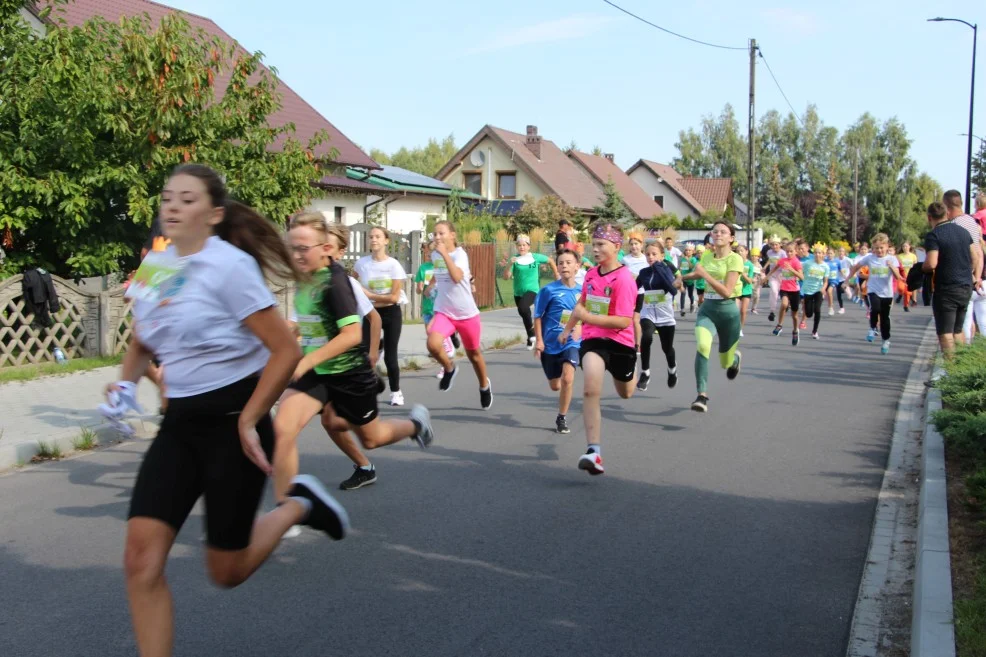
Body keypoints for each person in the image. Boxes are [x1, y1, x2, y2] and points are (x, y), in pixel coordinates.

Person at [118, 164, 350, 657]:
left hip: (232, 429)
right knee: (140, 560)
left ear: (214, 213)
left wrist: (249, 418)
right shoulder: (155, 267)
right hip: (179, 428)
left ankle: (297, 505)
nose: (173, 207)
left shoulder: (229, 267)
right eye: (168, 198)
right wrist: (122, 387)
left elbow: (284, 350)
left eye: (187, 199)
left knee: (226, 572)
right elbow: (142, 340)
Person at [277, 215, 433, 499]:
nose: (295, 255)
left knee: (371, 438)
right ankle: (286, 508)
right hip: (317, 372)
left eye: (302, 248)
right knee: (284, 428)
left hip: (349, 373)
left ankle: (416, 425)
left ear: (325, 248)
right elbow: (300, 322)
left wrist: (308, 361)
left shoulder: (338, 283)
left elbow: (353, 334)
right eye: (292, 247)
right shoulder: (305, 277)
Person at [559, 223, 637, 475]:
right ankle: (594, 451)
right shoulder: (591, 274)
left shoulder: (625, 279)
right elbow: (582, 304)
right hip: (594, 340)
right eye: (594, 244)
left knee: (625, 392)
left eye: (601, 244)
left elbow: (624, 321)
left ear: (616, 247)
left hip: (621, 343)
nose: (596, 249)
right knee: (591, 388)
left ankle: (638, 369)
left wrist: (587, 318)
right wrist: (568, 328)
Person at [427, 220, 493, 409]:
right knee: (432, 344)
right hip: (445, 312)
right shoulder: (435, 255)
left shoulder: (460, 255)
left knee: (474, 355)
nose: (437, 237)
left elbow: (456, 277)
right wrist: (431, 284)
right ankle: (449, 368)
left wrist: (444, 254)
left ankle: (484, 385)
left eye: (441, 233)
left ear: (452, 235)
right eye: (435, 234)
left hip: (466, 314)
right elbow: (439, 274)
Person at [680, 221, 743, 412]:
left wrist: (704, 275)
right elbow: (697, 274)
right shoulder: (707, 256)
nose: (718, 234)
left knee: (725, 362)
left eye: (723, 232)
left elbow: (727, 291)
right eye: (715, 231)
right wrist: (681, 277)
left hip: (728, 312)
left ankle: (734, 361)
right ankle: (702, 395)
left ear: (731, 238)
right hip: (707, 309)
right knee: (703, 346)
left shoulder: (735, 259)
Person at [354, 226, 407, 406]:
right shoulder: (361, 264)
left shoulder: (393, 266)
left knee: (390, 356)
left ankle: (396, 392)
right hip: (370, 313)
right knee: (366, 354)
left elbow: (393, 298)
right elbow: (354, 286)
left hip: (391, 313)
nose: (373, 240)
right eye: (371, 237)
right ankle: (366, 390)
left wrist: (369, 296)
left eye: (377, 237)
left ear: (386, 241)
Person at [533, 249, 582, 434]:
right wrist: (539, 340)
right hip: (550, 343)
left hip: (572, 342)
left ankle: (562, 417)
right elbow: (537, 316)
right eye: (561, 263)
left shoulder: (583, 292)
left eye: (569, 262)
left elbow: (587, 316)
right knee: (555, 385)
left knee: (568, 378)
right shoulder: (548, 290)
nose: (564, 266)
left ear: (577, 266)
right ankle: (562, 390)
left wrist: (581, 327)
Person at [923, 201, 977, 356]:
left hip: (946, 288)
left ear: (929, 218)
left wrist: (922, 267)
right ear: (947, 214)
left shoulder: (934, 235)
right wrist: (967, 271)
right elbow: (976, 256)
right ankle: (962, 367)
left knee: (945, 332)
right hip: (965, 286)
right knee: (958, 329)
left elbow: (932, 263)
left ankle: (951, 373)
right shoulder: (963, 232)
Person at [634, 241, 679, 392]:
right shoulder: (644, 273)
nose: (650, 257)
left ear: (662, 255)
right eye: (647, 254)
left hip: (665, 315)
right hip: (648, 313)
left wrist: (660, 267)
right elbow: (634, 287)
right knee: (646, 337)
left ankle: (672, 370)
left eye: (654, 254)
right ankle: (645, 373)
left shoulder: (666, 270)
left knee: (667, 348)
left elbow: (673, 290)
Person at [849, 233, 903, 354]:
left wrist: (891, 266)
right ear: (872, 248)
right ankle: (872, 328)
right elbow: (856, 267)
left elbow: (898, 276)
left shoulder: (892, 259)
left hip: (887, 293)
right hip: (873, 289)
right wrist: (847, 279)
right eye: (876, 248)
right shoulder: (869, 258)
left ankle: (885, 340)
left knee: (885, 318)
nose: (879, 250)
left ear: (886, 247)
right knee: (875, 308)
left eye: (881, 247)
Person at [504, 234, 557, 350]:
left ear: (529, 246)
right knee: (524, 314)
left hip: (533, 290)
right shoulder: (514, 259)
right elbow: (506, 277)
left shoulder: (535, 257)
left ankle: (532, 334)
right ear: (517, 247)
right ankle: (530, 335)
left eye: (524, 245)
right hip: (518, 292)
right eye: (519, 245)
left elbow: (551, 261)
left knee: (523, 308)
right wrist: (509, 264)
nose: (522, 247)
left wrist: (556, 274)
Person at [415, 240, 456, 379]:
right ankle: (446, 362)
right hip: (428, 307)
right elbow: (419, 289)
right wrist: (421, 289)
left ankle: (446, 361)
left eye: (435, 252)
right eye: (430, 252)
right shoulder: (423, 268)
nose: (432, 255)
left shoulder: (443, 266)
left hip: (440, 307)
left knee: (435, 334)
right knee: (430, 335)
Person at [771, 241, 804, 345]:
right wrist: (766, 277)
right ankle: (779, 325)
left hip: (794, 290)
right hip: (784, 288)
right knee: (784, 304)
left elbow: (802, 277)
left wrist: (791, 269)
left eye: (791, 251)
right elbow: (774, 269)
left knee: (794, 315)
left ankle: (795, 331)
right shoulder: (782, 260)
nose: (789, 253)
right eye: (787, 252)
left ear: (796, 252)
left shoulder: (796, 262)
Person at [802, 243, 830, 339]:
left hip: (818, 290)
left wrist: (823, 288)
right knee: (809, 314)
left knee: (817, 310)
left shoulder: (825, 266)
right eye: (816, 253)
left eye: (820, 253)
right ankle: (811, 307)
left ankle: (815, 331)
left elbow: (826, 281)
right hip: (807, 290)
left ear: (823, 254)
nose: (817, 255)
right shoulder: (807, 263)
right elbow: (799, 271)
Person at [763, 235, 787, 322]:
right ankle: (772, 311)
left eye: (776, 244)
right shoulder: (769, 252)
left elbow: (785, 264)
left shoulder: (783, 253)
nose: (774, 247)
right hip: (773, 275)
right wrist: (765, 267)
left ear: (780, 245)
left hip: (781, 275)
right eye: (772, 245)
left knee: (782, 293)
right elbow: (770, 260)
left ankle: (786, 305)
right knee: (773, 291)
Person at [736, 244, 755, 337]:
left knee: (743, 311)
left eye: (742, 251)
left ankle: (740, 328)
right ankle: (734, 327)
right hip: (736, 290)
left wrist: (742, 273)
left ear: (747, 252)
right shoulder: (734, 263)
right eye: (738, 251)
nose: (740, 253)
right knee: (735, 310)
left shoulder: (750, 265)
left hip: (746, 290)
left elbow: (749, 280)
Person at [678, 244, 697, 316]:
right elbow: (680, 268)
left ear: (692, 252)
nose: (688, 252)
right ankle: (682, 309)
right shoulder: (682, 259)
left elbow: (691, 267)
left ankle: (692, 303)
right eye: (686, 250)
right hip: (683, 279)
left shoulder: (693, 259)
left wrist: (687, 260)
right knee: (683, 293)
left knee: (690, 295)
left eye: (689, 250)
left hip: (690, 280)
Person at [749, 247, 764, 316]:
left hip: (756, 283)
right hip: (748, 282)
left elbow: (762, 273)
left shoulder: (759, 265)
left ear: (758, 257)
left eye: (756, 256)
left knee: (757, 296)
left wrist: (763, 278)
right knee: (749, 296)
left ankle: (754, 308)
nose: (754, 257)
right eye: (752, 256)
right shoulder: (748, 263)